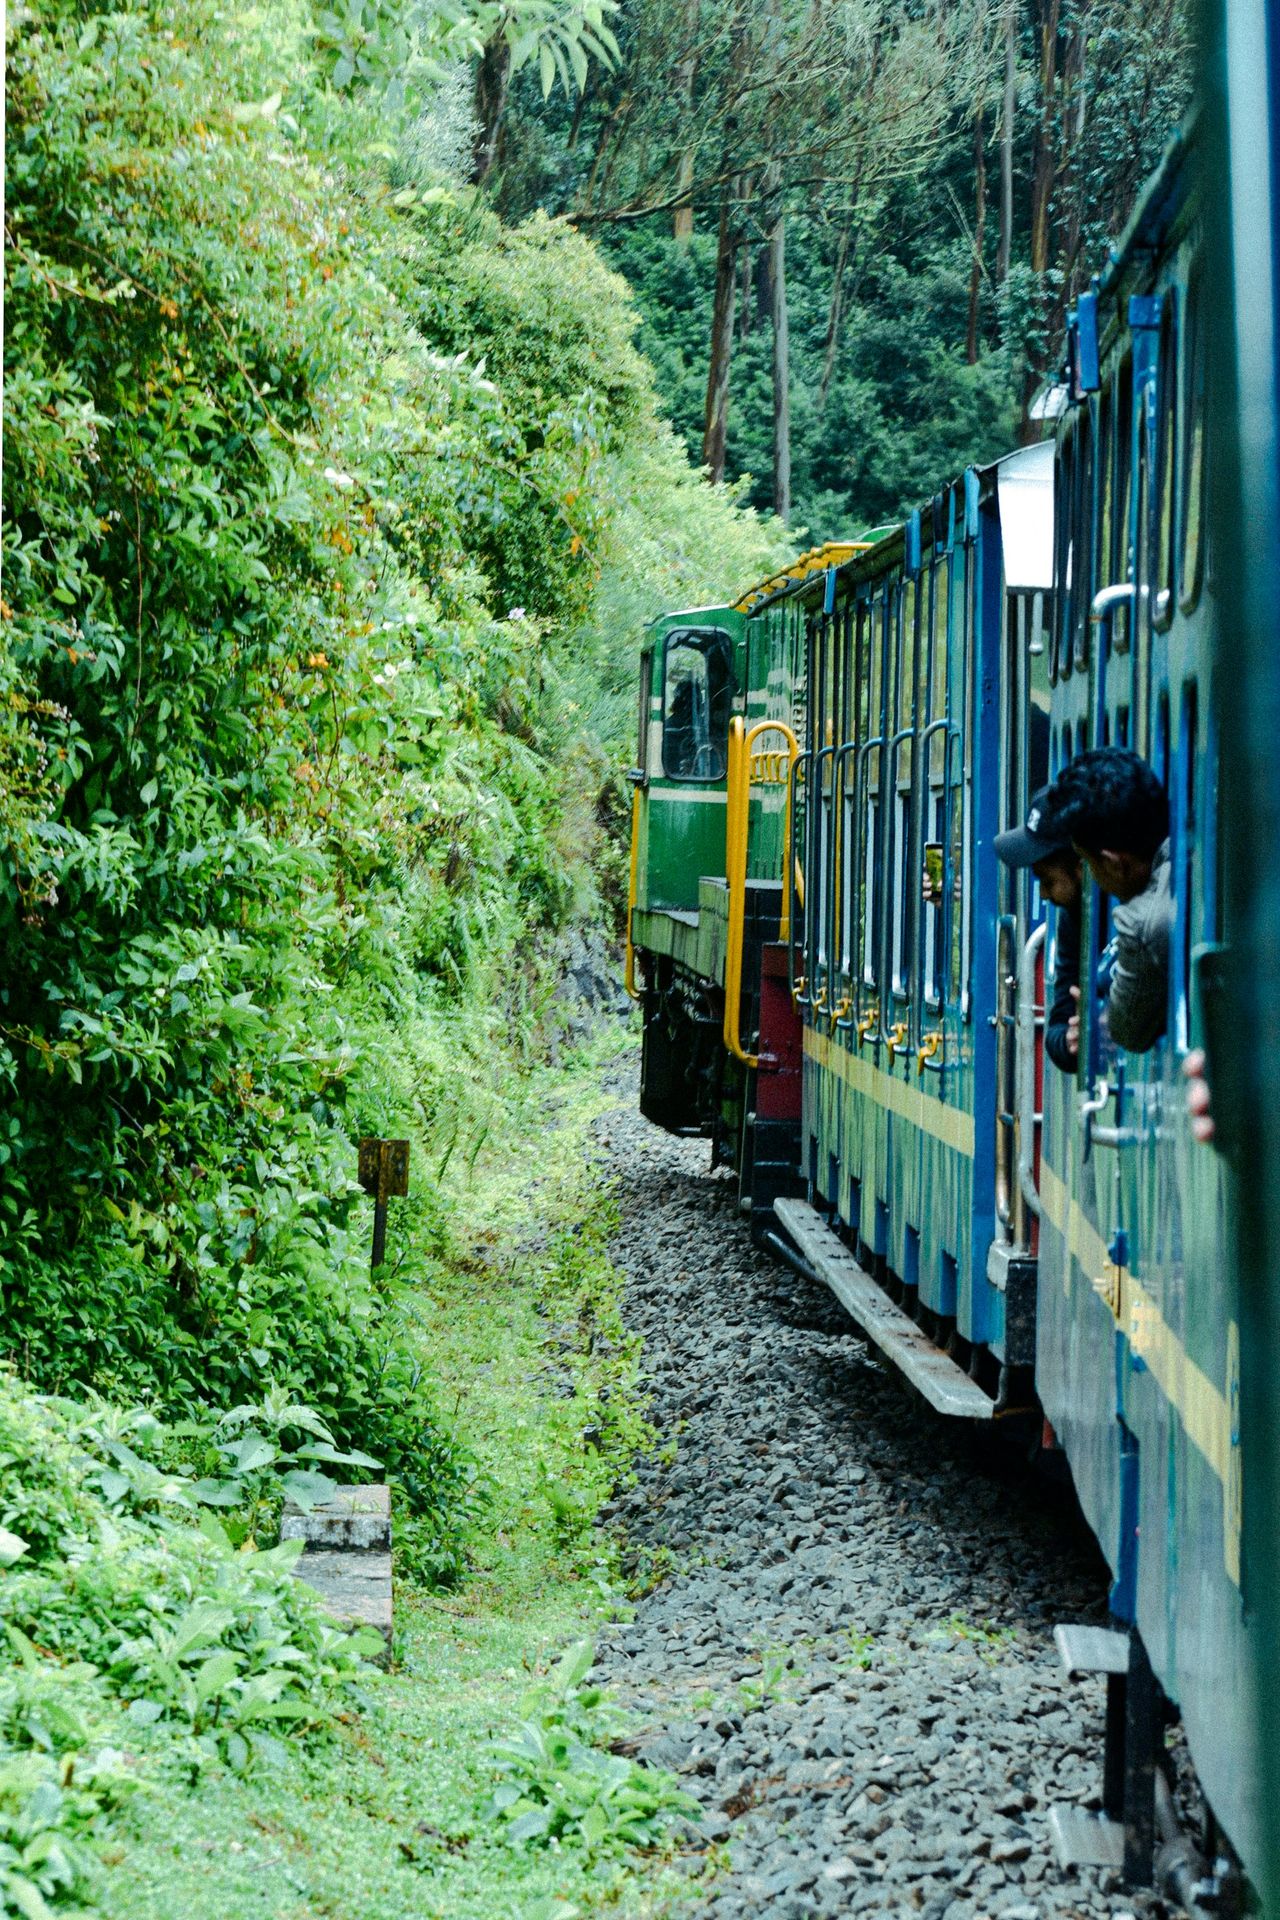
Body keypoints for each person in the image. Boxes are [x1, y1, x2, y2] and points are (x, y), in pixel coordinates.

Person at [1043, 746, 1172, 1054]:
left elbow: (1127, 1032)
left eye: (1088, 863)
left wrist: (1101, 1015)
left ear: (1115, 863)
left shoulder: (1142, 924)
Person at [994, 786, 1083, 1073]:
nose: (1043, 894)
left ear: (1082, 867)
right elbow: (1057, 1023)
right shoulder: (1073, 919)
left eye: (1047, 879)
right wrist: (1070, 1041)